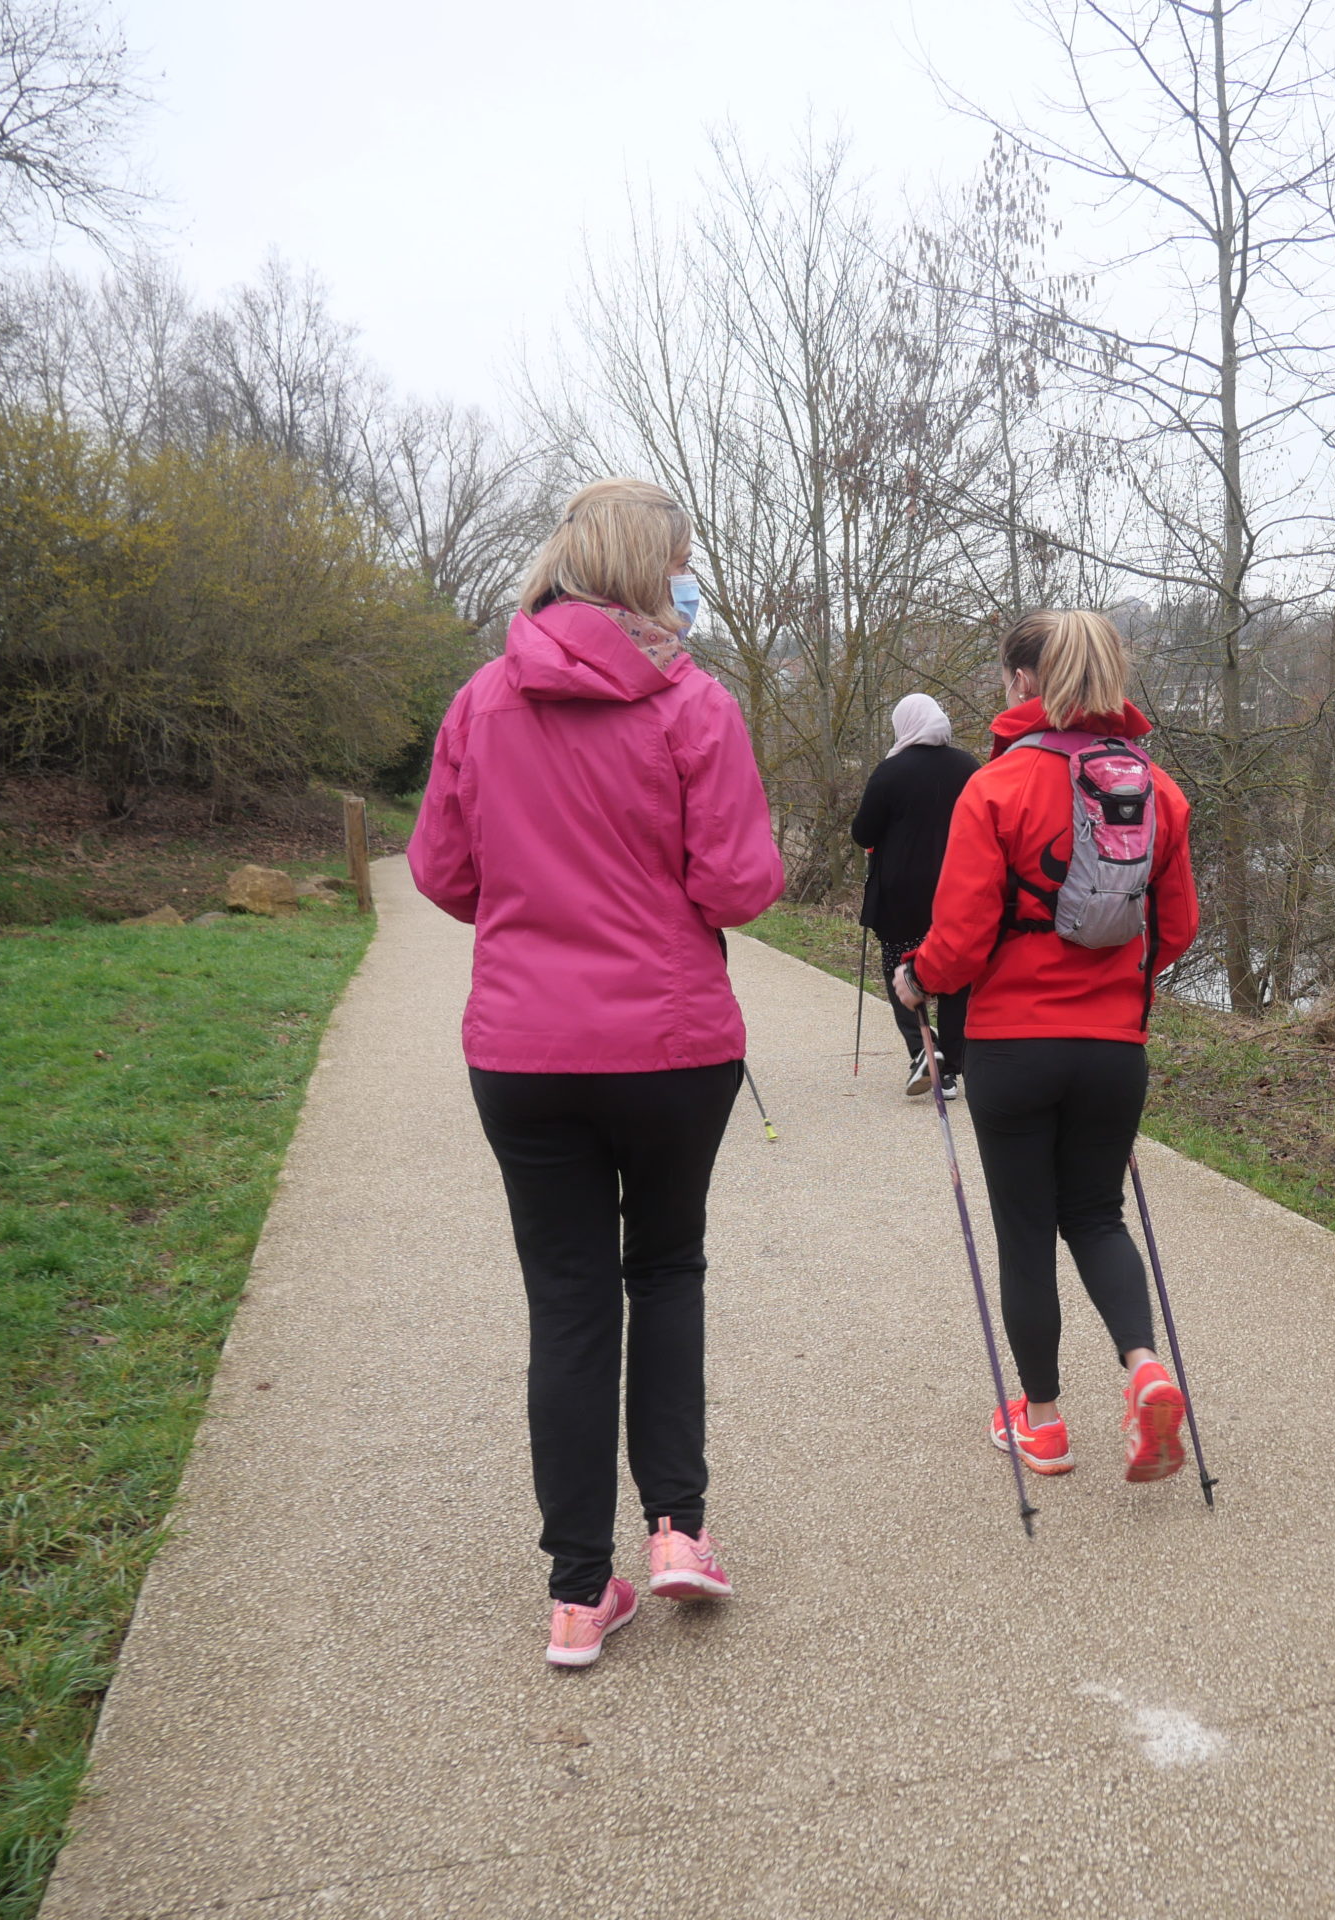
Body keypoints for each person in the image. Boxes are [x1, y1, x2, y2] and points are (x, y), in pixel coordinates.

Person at [408, 478, 785, 1669]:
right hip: (671, 1048)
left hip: (523, 1053)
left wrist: (533, 904)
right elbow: (739, 886)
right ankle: (678, 1529)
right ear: (649, 569)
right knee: (666, 1271)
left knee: (569, 1303)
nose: (691, 580)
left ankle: (578, 1594)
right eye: (683, 559)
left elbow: (441, 873)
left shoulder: (480, 702)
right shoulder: (693, 705)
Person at [894, 610, 1200, 1482]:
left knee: (1026, 1233)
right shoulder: (1159, 791)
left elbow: (955, 944)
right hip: (1113, 1050)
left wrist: (917, 978)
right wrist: (1112, 981)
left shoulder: (994, 788)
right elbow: (1176, 927)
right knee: (1096, 1215)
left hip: (1011, 1047)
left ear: (1025, 684)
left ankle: (1045, 1425)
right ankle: (1144, 1367)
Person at [850, 693, 979, 1095]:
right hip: (959, 889)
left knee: (899, 968)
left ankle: (924, 1048)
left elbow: (863, 833)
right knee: (956, 972)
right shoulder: (969, 767)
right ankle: (953, 1067)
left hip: (901, 893)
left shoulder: (890, 771)